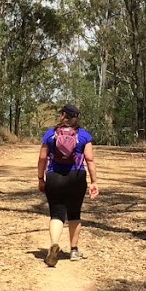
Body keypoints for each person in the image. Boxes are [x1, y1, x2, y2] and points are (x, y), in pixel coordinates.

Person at [37, 103, 99, 266]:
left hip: (54, 176)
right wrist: (94, 182)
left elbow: (42, 158)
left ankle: (54, 244)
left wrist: (40, 179)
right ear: (76, 118)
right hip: (76, 177)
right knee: (74, 213)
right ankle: (74, 250)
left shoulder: (50, 134)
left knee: (57, 213)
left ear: (63, 115)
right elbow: (90, 159)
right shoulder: (84, 135)